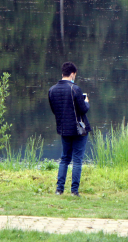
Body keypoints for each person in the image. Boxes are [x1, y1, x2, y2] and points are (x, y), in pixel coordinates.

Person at [48, 62, 91, 197]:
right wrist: (87, 101)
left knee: (65, 158)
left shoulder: (52, 90)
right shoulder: (75, 89)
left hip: (64, 129)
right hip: (79, 130)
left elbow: (55, 110)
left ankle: (59, 190)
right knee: (77, 160)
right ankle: (74, 191)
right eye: (75, 75)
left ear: (62, 73)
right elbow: (83, 109)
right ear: (72, 74)